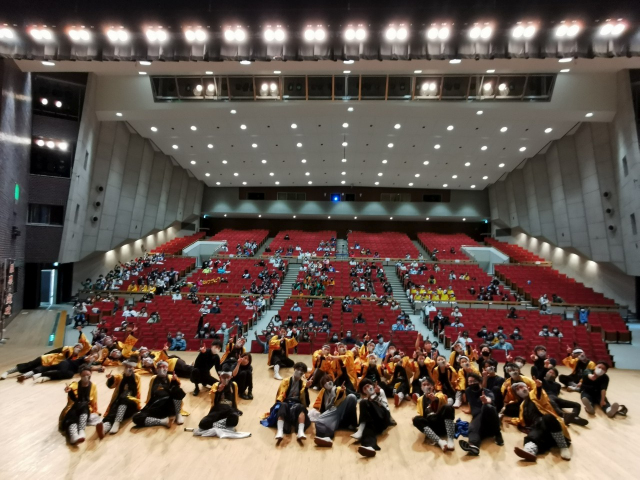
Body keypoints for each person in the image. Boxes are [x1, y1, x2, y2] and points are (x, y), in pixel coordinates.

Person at [510, 382, 572, 462]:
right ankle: (530, 451)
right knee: (535, 433)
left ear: (527, 387)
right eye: (517, 389)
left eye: (521, 387)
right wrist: (510, 420)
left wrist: (539, 387)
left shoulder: (534, 394)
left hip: (551, 425)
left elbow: (541, 396)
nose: (520, 389)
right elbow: (521, 420)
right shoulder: (522, 405)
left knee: (548, 417)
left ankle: (563, 447)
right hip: (540, 430)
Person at [3, 328, 91, 381]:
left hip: (51, 364)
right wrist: (44, 354)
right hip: (46, 358)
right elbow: (54, 350)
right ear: (75, 346)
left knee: (38, 370)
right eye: (77, 347)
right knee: (29, 365)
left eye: (80, 348)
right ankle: (8, 372)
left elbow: (87, 346)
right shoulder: (67, 348)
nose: (78, 348)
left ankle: (24, 376)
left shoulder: (77, 357)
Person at [192, 365, 251, 439]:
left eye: (227, 377)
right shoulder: (216, 385)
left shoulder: (233, 385)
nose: (225, 379)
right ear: (220, 377)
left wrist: (235, 409)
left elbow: (234, 399)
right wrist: (219, 391)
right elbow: (213, 400)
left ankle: (217, 424)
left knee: (234, 418)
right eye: (223, 377)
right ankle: (218, 424)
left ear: (230, 377)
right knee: (203, 424)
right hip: (218, 409)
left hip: (229, 409)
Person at [458, 372, 503, 456]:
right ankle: (473, 446)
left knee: (487, 407)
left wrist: (486, 400)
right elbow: (470, 402)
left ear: (479, 382)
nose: (472, 383)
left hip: (489, 418)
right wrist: (469, 410)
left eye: (474, 381)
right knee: (472, 428)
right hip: (477, 418)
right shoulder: (468, 391)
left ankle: (498, 433)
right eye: (470, 382)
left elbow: (490, 399)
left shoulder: (487, 392)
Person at [132, 360, 186, 428]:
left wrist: (174, 382)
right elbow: (150, 393)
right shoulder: (153, 378)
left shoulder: (170, 377)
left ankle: (177, 413)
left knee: (177, 390)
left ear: (167, 368)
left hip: (169, 404)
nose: (162, 369)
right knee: (136, 417)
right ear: (157, 369)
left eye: (164, 367)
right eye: (160, 367)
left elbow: (178, 393)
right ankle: (163, 422)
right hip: (156, 405)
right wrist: (146, 408)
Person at [96, 357, 142, 437]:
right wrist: (110, 378)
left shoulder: (137, 377)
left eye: (130, 367)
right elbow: (111, 385)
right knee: (113, 412)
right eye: (126, 367)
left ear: (133, 368)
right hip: (119, 401)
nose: (128, 369)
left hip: (131, 402)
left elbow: (137, 392)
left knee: (124, 399)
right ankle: (105, 428)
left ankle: (117, 422)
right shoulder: (120, 376)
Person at [312, 374, 358, 447]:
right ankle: (326, 437)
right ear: (323, 386)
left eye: (329, 380)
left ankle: (352, 424)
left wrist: (342, 391)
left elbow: (341, 395)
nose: (328, 383)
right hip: (332, 414)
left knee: (352, 397)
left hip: (340, 413)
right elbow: (321, 406)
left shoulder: (338, 389)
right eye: (325, 382)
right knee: (319, 421)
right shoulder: (323, 393)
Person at [412, 376, 456, 452]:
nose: (426, 386)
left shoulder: (439, 394)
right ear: (421, 387)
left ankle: (450, 439)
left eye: (428, 384)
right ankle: (440, 442)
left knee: (448, 407)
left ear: (432, 386)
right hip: (431, 427)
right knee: (416, 419)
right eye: (424, 385)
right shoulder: (420, 399)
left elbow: (442, 401)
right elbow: (422, 416)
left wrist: (435, 399)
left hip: (442, 423)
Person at [58, 365, 99, 445]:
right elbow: (70, 388)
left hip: (85, 409)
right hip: (73, 407)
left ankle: (81, 430)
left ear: (91, 374)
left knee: (84, 406)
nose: (86, 377)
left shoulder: (93, 386)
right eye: (83, 375)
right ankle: (73, 435)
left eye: (87, 375)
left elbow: (94, 400)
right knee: (72, 415)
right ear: (80, 375)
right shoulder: (75, 385)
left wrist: (94, 411)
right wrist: (68, 390)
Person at [352, 379, 392, 457]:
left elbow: (385, 407)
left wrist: (376, 395)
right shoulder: (365, 399)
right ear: (363, 392)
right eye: (364, 388)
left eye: (368, 386)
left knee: (363, 402)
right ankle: (369, 446)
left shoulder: (380, 391)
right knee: (368, 429)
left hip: (384, 417)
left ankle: (360, 429)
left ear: (372, 385)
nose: (367, 388)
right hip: (375, 422)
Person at [272, 362, 312, 442]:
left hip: (296, 404)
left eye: (302, 371)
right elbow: (281, 395)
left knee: (301, 407)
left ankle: (300, 431)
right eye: (298, 369)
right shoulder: (286, 381)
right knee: (283, 405)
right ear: (294, 369)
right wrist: (279, 403)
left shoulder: (303, 384)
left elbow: (304, 401)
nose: (299, 372)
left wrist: (306, 388)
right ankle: (280, 431)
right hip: (286, 402)